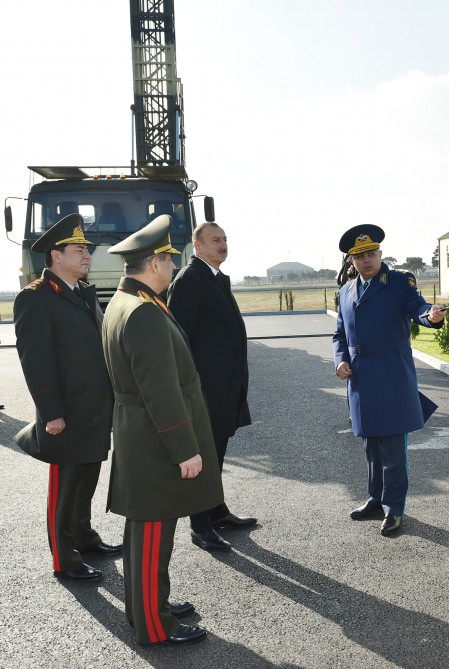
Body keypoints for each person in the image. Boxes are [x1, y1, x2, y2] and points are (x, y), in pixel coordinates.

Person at [102, 215, 224, 645]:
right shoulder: (143, 313)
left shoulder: (126, 302)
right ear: (154, 263)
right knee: (153, 534)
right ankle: (154, 625)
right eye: (170, 259)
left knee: (144, 533)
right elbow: (161, 390)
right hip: (156, 440)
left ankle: (148, 603)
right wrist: (184, 449)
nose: (174, 266)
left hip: (141, 435)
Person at [12, 213, 118, 582]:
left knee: (87, 477)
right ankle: (64, 557)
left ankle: (84, 538)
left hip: (93, 408)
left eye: (87, 248)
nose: (87, 254)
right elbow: (35, 359)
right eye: (79, 249)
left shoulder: (83, 292)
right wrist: (51, 411)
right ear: (56, 256)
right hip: (66, 413)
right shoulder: (37, 298)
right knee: (65, 485)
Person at [332, 224, 445, 536]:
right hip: (361, 379)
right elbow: (339, 333)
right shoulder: (345, 291)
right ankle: (375, 498)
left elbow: (418, 308)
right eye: (359, 256)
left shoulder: (397, 283)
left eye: (371, 253)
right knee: (372, 446)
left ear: (380, 254)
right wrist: (340, 358)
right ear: (351, 261)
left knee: (394, 450)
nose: (366, 260)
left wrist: (431, 315)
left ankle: (394, 508)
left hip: (392, 376)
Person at [166, 222, 255, 552]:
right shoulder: (190, 280)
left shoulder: (215, 277)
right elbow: (179, 339)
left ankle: (216, 511)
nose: (223, 244)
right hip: (204, 389)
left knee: (217, 452)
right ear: (198, 246)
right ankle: (200, 525)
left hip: (224, 387)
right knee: (204, 455)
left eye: (225, 239)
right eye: (215, 240)